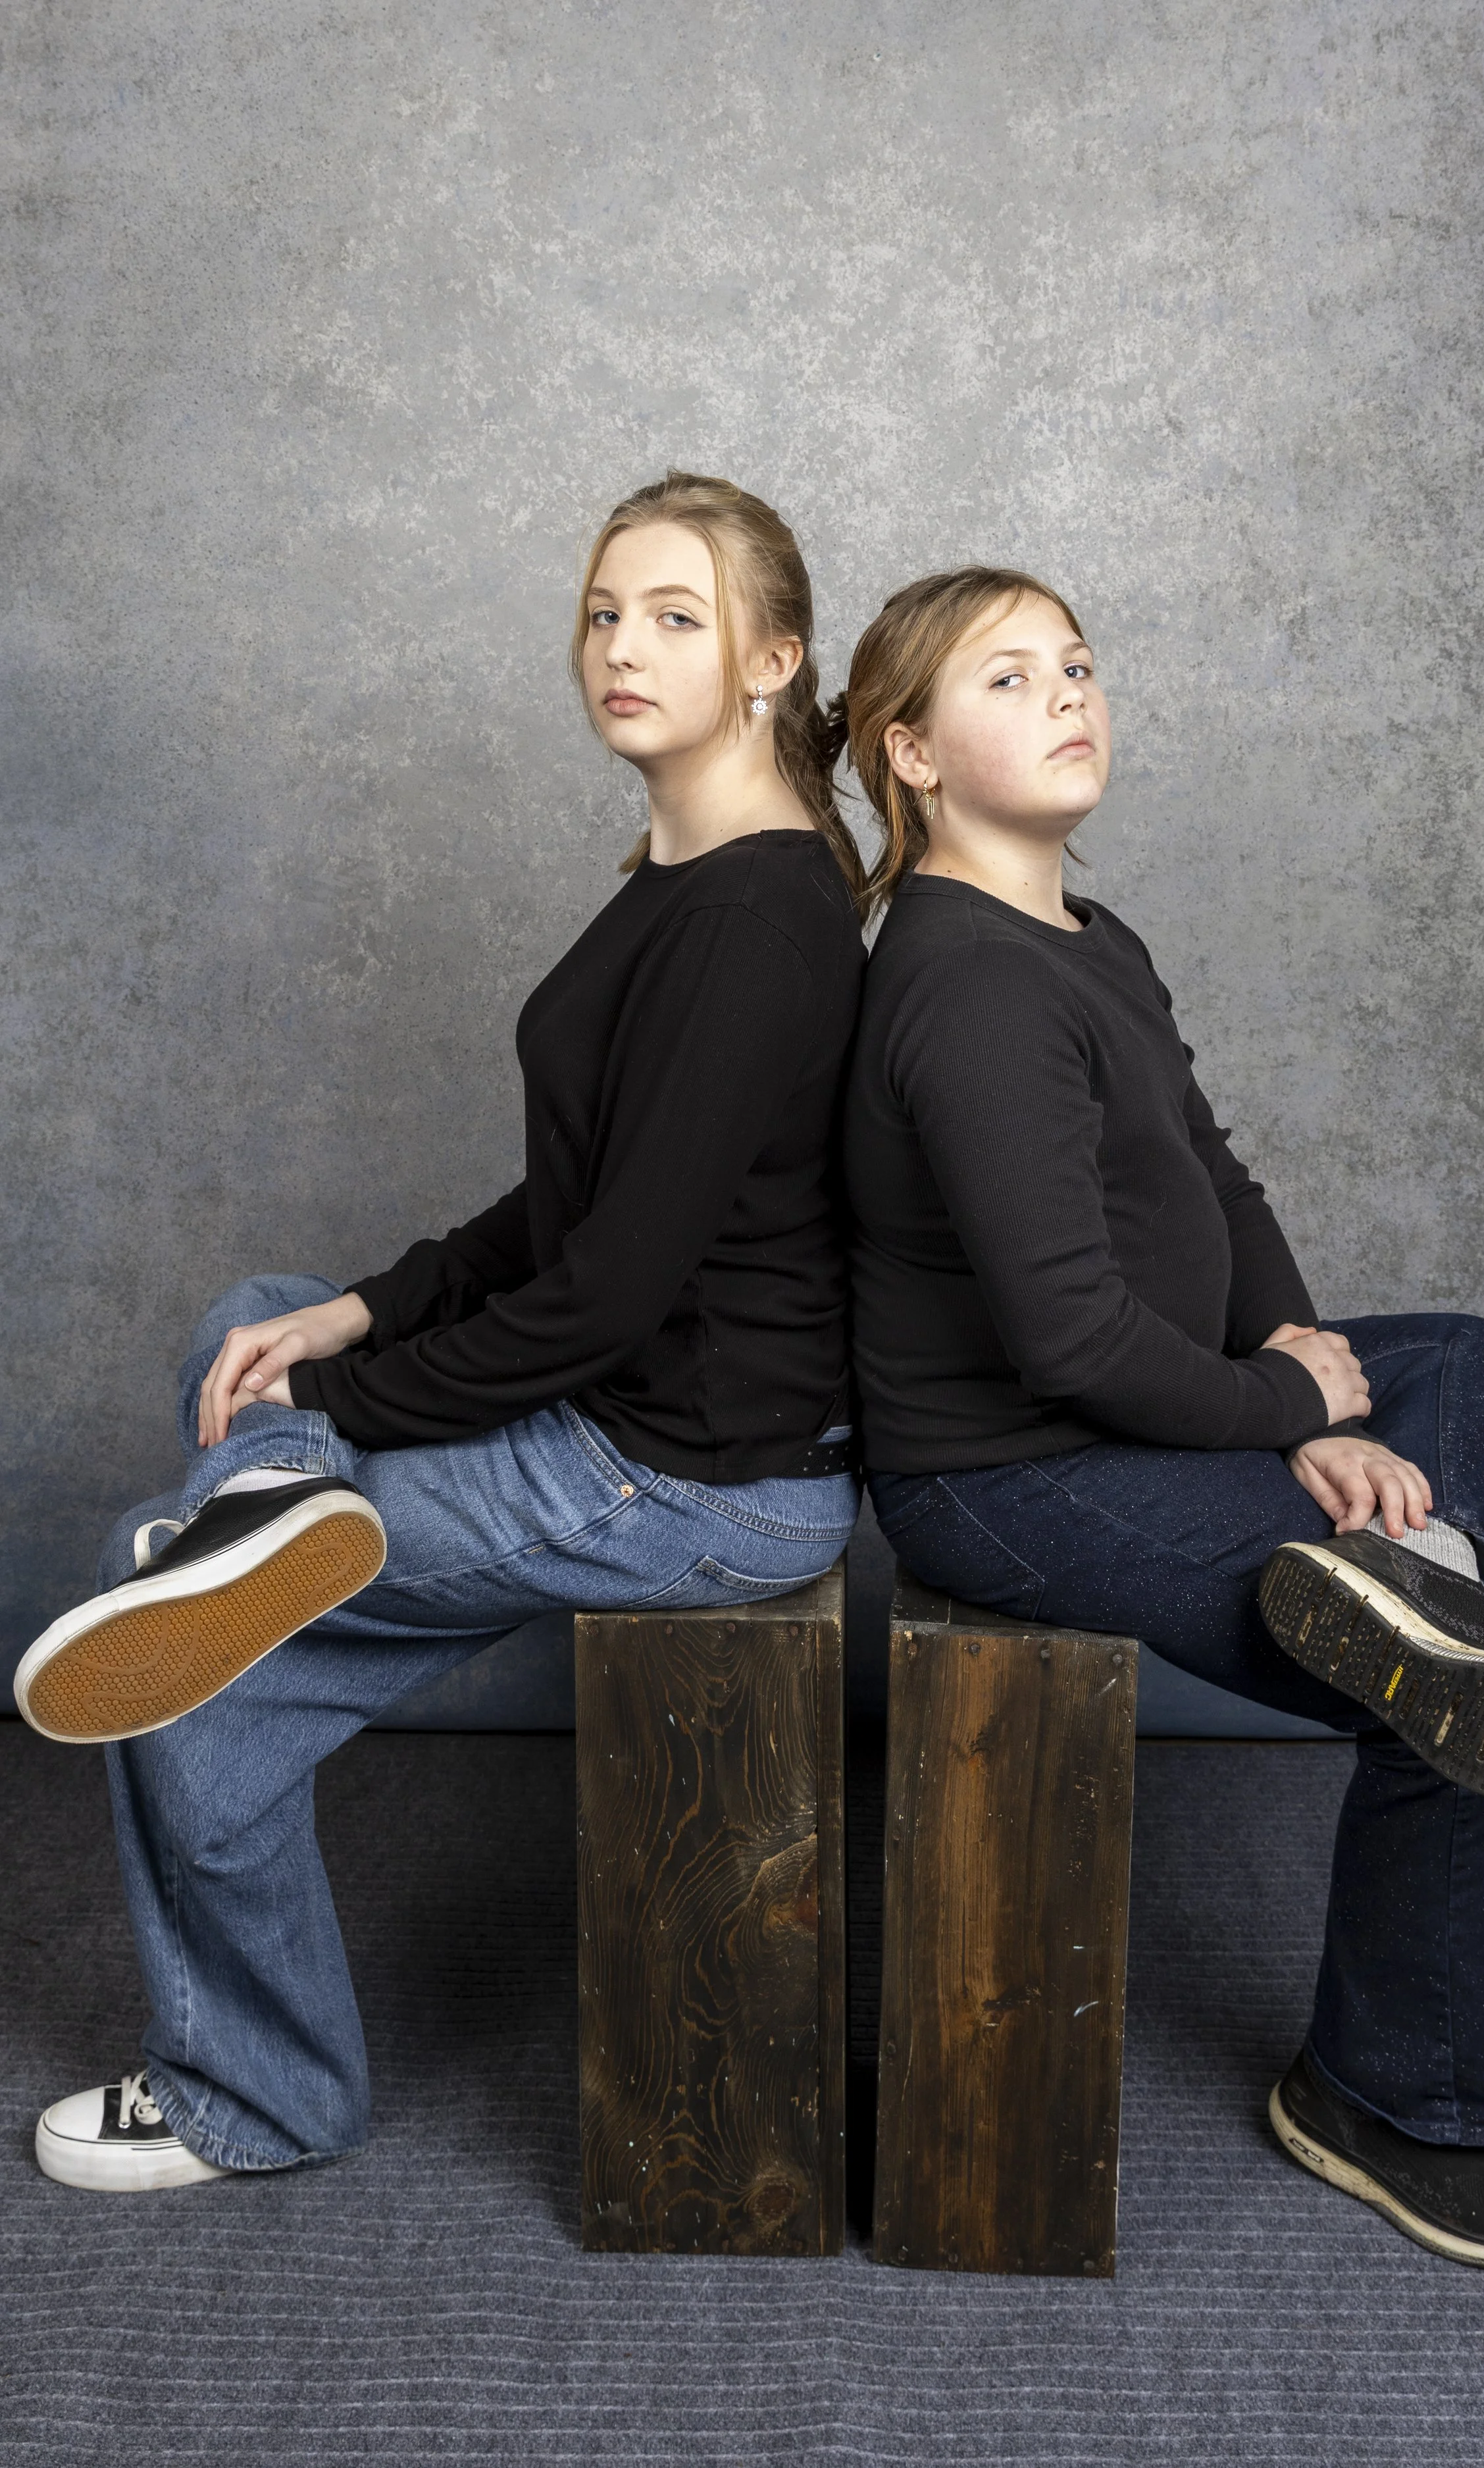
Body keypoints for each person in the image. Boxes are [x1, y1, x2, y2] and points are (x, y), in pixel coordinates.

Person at [18, 471, 867, 2192]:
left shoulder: (759, 924)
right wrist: (352, 1313)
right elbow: (566, 1213)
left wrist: (346, 1402)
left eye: (675, 618)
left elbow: (609, 1293)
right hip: (627, 1418)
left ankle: (261, 2093)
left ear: (773, 660)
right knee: (252, 1312)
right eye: (600, 613)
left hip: (693, 1481)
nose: (619, 648)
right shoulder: (677, 880)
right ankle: (268, 1518)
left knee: (167, 1628)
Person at [834, 563, 1484, 2272]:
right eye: (1006, 678)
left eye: (1078, 663)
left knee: (1463, 1356)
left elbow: (1208, 1167)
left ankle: (1410, 1564)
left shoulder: (1086, 936)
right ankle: (1397, 2099)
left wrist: (1290, 1348)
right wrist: (1279, 1405)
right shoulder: (964, 985)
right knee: (1457, 1685)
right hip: (1017, 1475)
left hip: (1177, 1397)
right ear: (906, 750)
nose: (1066, 695)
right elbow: (1056, 1341)